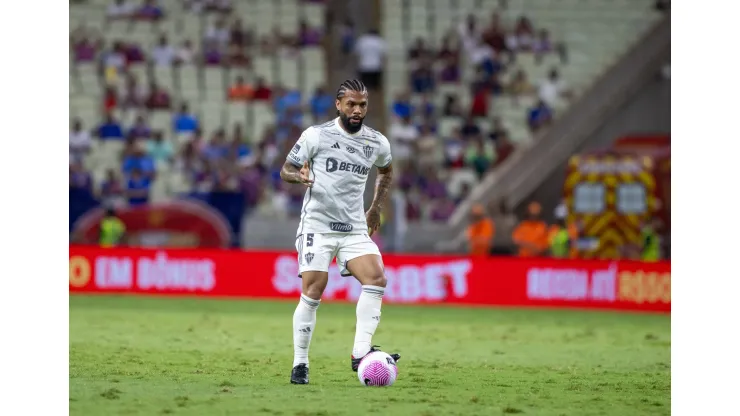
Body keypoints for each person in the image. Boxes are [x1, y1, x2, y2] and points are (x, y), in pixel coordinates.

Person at [280, 79, 400, 385]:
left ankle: (360, 353)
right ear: (338, 105)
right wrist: (299, 177)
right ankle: (301, 363)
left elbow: (386, 171)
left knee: (376, 278)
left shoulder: (377, 142)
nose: (357, 110)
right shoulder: (316, 135)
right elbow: (286, 169)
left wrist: (375, 207)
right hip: (317, 225)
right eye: (351, 104)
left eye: (362, 105)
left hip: (353, 228)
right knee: (313, 290)